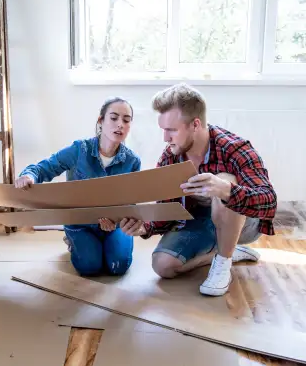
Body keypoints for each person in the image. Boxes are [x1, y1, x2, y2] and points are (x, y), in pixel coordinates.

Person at [119, 83, 277, 296]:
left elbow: (269, 201)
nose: (166, 138)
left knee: (225, 179)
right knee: (163, 266)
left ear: (195, 124)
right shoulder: (171, 156)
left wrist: (226, 189)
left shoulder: (233, 148)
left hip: (243, 223)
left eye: (172, 130)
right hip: (202, 222)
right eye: (164, 130)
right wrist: (144, 228)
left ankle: (223, 261)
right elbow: (167, 210)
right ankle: (225, 252)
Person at [14, 97, 141, 277]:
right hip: (81, 224)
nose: (120, 124)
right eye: (113, 118)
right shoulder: (79, 150)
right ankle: (75, 241)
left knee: (117, 266)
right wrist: (28, 175)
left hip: (115, 225)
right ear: (101, 121)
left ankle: (106, 245)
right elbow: (45, 167)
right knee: (90, 267)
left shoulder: (132, 161)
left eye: (126, 120)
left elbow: (132, 203)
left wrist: (118, 221)